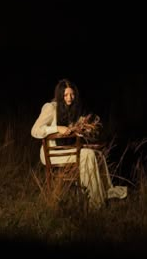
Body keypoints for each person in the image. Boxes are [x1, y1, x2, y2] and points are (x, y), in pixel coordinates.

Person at [31, 78, 127, 209]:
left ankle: (105, 193)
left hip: (65, 149)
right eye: (65, 95)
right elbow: (35, 131)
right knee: (88, 155)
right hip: (52, 152)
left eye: (72, 94)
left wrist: (82, 131)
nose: (69, 98)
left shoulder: (71, 110)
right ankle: (96, 203)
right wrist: (56, 128)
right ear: (60, 95)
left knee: (98, 155)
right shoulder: (51, 108)